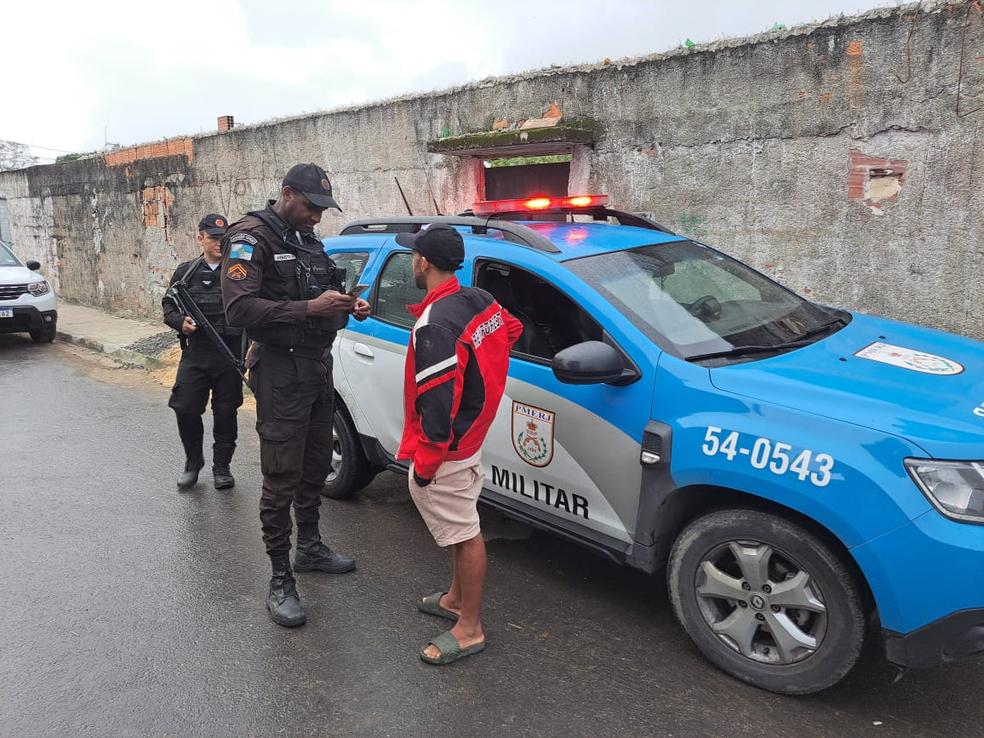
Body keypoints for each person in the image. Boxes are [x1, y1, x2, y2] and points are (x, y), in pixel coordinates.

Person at [221, 163, 370, 627]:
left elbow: (322, 293)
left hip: (316, 366)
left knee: (314, 465)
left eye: (323, 210)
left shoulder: (307, 241)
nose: (317, 217)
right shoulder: (249, 238)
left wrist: (346, 304)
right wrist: (310, 307)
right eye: (310, 207)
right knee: (281, 474)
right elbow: (238, 308)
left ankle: (309, 546)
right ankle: (280, 576)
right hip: (280, 370)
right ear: (286, 194)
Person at [396, 224, 522, 665]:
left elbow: (437, 404)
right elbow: (512, 329)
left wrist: (426, 464)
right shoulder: (478, 299)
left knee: (465, 532)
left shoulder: (436, 324)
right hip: (472, 434)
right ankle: (453, 599)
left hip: (451, 447)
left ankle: (469, 628)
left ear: (424, 262)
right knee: (458, 522)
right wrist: (483, 385)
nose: (412, 260)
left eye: (414, 255)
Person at [163, 213, 244, 491]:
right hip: (197, 353)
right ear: (200, 238)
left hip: (230, 355)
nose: (219, 244)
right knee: (184, 408)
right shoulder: (186, 272)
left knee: (225, 412)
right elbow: (168, 307)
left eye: (224, 239)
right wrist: (180, 322)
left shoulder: (239, 272)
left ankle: (222, 467)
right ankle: (192, 462)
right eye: (213, 238)